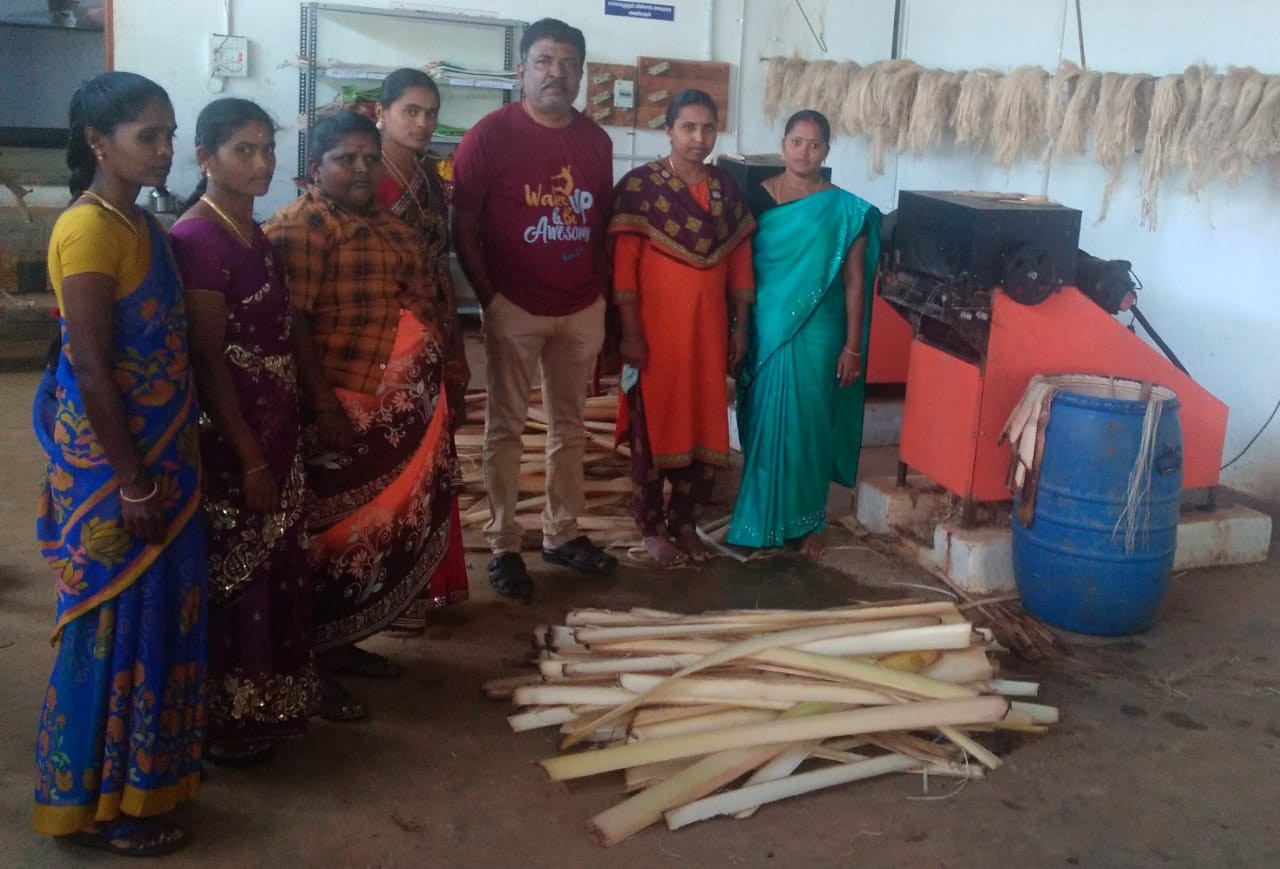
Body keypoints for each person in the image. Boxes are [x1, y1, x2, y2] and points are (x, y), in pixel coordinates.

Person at [32, 71, 201, 856]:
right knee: (108, 628)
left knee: (153, 624)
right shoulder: (90, 229)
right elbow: (93, 367)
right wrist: (133, 480)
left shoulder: (140, 223)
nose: (166, 150)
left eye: (170, 134)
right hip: (114, 471)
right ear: (99, 142)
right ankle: (93, 807)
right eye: (149, 136)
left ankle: (141, 787)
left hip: (157, 457)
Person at [264, 112, 461, 720]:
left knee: (367, 536)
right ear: (315, 167)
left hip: (396, 418)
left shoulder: (388, 224)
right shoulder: (301, 227)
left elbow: (424, 301)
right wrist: (323, 406)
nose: (359, 169)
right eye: (344, 159)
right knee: (322, 538)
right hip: (336, 411)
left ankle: (344, 643)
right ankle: (309, 663)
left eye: (369, 158)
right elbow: (292, 324)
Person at [170, 98, 319, 765]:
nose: (262, 163)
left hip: (275, 418)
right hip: (235, 433)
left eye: (268, 148)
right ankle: (224, 718)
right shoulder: (198, 239)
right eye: (244, 150)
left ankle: (270, 701)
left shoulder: (251, 229)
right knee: (235, 572)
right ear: (205, 158)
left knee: (277, 564)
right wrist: (251, 456)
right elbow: (208, 358)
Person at [452, 17, 618, 601]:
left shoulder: (596, 141)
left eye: (568, 62)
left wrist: (598, 296)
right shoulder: (489, 135)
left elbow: (599, 225)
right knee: (505, 429)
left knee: (569, 428)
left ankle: (560, 533)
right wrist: (489, 299)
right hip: (513, 307)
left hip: (579, 307)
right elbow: (463, 225)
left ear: (580, 73)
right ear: (522, 69)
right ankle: (502, 543)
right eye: (545, 61)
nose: (557, 72)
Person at [609, 89, 755, 566]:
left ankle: (686, 523)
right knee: (655, 425)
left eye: (708, 128)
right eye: (688, 127)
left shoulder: (727, 191)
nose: (698, 138)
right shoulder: (639, 188)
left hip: (709, 335)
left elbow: (740, 266)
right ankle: (651, 526)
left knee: (705, 423)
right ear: (667, 130)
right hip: (655, 337)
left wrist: (741, 328)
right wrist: (630, 333)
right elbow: (624, 270)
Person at [727, 110, 881, 555]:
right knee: (762, 422)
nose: (804, 152)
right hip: (766, 326)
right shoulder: (756, 200)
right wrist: (737, 326)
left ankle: (808, 522)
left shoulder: (844, 209)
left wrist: (853, 347)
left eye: (814, 145)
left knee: (811, 426)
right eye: (796, 142)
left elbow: (854, 281)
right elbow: (741, 270)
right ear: (783, 145)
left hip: (821, 333)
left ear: (827, 152)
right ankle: (759, 518)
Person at [374, 69, 470, 625]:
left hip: (433, 333)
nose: (422, 122)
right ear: (382, 113)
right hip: (386, 341)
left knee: (433, 460)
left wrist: (452, 342)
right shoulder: (367, 176)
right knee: (391, 464)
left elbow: (439, 268)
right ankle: (390, 591)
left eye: (430, 112)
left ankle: (428, 581)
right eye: (411, 110)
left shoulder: (434, 181)